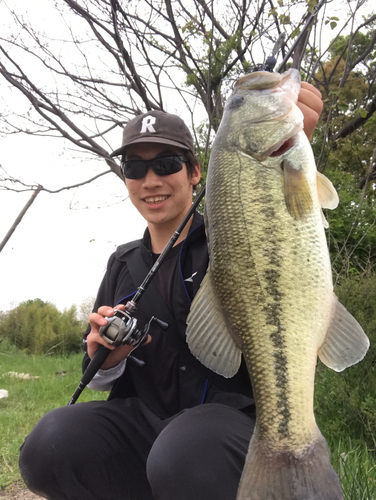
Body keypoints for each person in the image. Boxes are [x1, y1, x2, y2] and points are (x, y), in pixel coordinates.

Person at [19, 82, 323, 500]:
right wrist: (103, 360)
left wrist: (290, 142)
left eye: (166, 164)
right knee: (48, 445)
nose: (150, 180)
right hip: (147, 426)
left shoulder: (233, 238)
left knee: (183, 452)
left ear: (195, 172)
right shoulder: (122, 264)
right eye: (135, 168)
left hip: (226, 428)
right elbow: (102, 379)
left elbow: (284, 229)